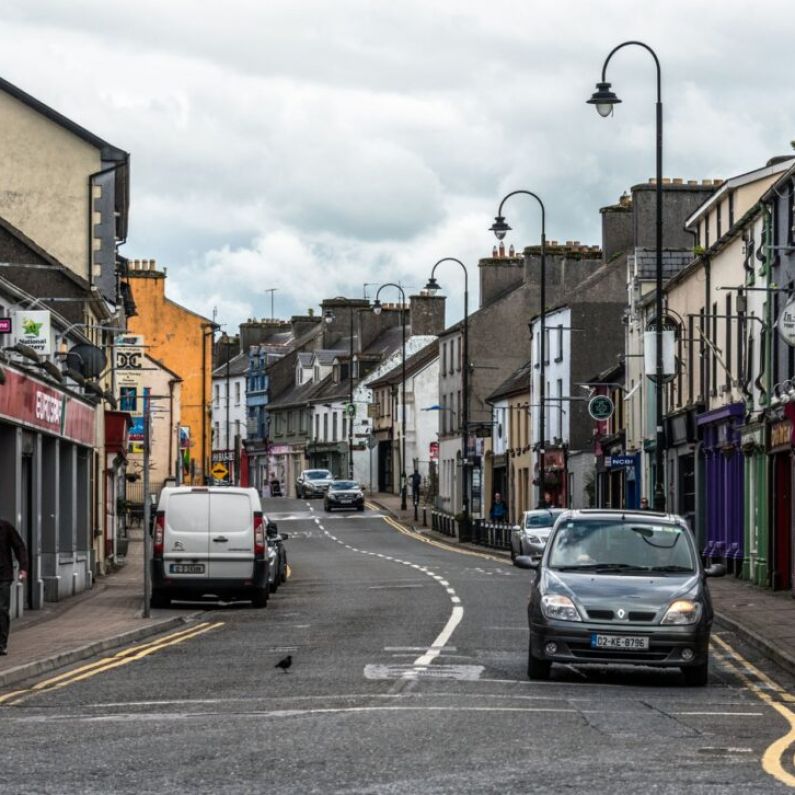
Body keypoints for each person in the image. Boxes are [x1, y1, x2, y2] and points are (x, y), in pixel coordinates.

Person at [0, 518, 28, 656]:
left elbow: (19, 546)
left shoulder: (5, 527)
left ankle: (2, 644)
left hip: (3, 575)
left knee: (2, 609)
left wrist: (23, 568)